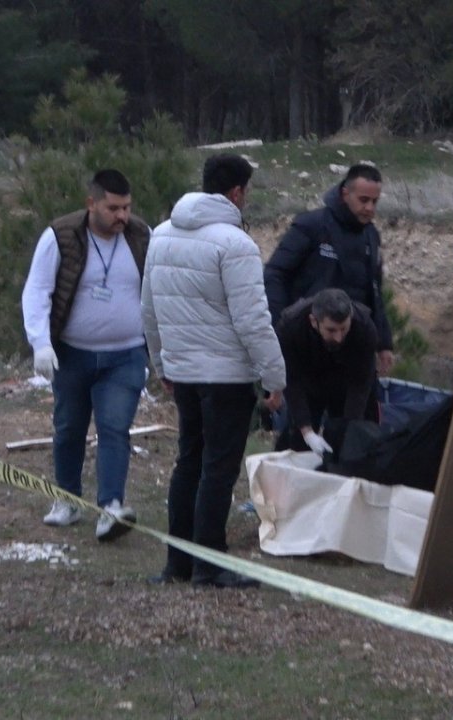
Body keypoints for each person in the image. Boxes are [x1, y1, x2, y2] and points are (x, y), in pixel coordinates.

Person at [142, 154, 285, 589]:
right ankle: (209, 563)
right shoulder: (236, 244)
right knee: (218, 470)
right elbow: (253, 320)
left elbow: (149, 308)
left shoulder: (161, 234)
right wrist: (274, 379)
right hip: (226, 376)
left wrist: (161, 362)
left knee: (188, 463)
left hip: (183, 372)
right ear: (238, 192)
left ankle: (178, 563)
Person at [21, 169, 148, 542]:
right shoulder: (60, 236)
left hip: (126, 355)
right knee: (69, 428)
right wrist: (40, 343)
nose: (122, 216)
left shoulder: (143, 236)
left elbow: (159, 291)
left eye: (126, 207)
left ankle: (110, 507)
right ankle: (67, 499)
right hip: (72, 354)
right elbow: (37, 290)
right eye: (113, 208)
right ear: (91, 203)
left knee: (114, 428)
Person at [263, 163, 395, 376]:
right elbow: (275, 274)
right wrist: (279, 328)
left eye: (375, 201)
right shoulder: (312, 225)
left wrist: (384, 343)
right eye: (364, 200)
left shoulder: (371, 236)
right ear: (345, 194)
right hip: (307, 341)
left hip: (353, 344)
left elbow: (375, 292)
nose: (370, 208)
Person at [274, 288, 378, 455]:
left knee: (355, 440)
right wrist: (307, 432)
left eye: (343, 329)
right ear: (313, 321)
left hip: (348, 379)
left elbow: (360, 385)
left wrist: (349, 430)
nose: (339, 337)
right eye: (331, 330)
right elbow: (292, 380)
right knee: (298, 443)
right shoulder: (290, 327)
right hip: (308, 377)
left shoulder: (364, 328)